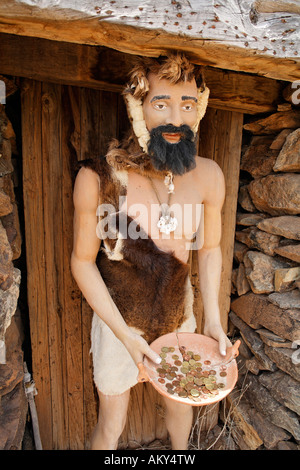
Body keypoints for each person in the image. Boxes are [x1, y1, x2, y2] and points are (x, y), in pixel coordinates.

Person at [71, 53, 232, 450]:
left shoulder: (209, 176)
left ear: (200, 109)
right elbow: (81, 262)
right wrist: (124, 335)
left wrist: (211, 320)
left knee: (180, 405)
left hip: (179, 313)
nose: (176, 118)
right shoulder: (98, 179)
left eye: (187, 104)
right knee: (112, 420)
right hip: (119, 320)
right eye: (161, 104)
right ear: (138, 107)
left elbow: (210, 249)